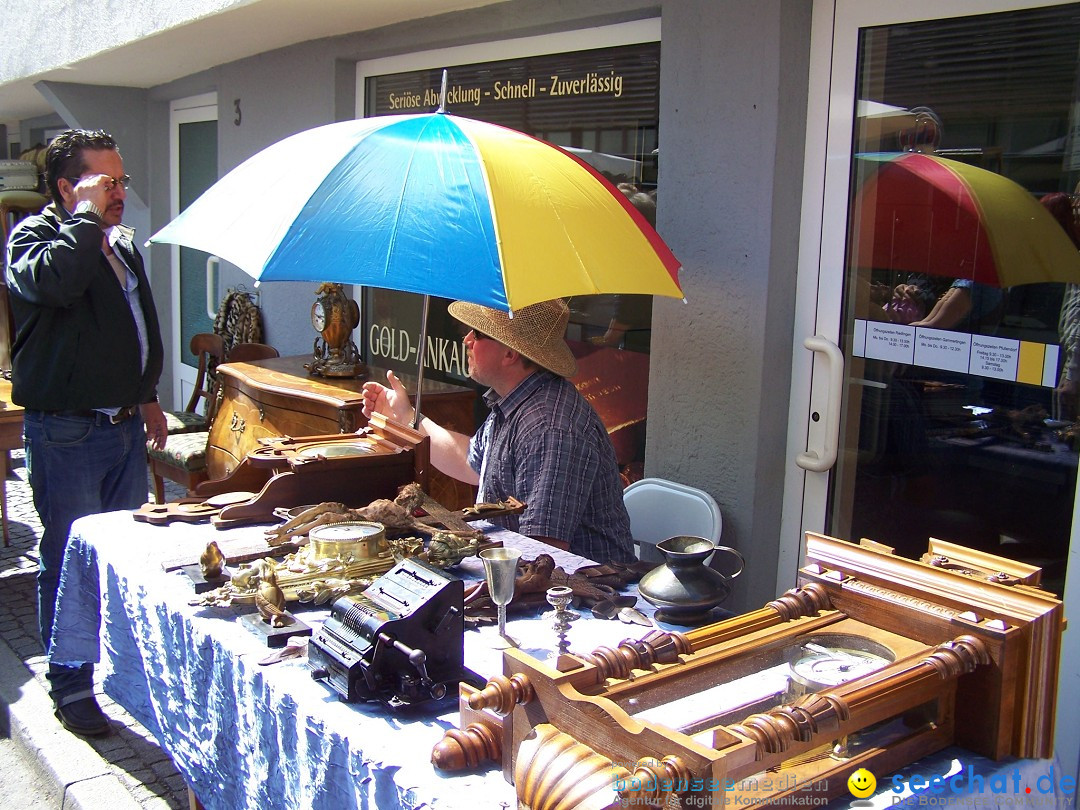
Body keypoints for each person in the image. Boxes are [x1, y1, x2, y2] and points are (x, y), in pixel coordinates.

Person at [5, 129, 167, 737]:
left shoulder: (120, 245)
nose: (119, 192)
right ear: (70, 188)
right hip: (67, 433)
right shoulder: (35, 240)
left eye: (122, 180)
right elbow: (56, 284)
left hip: (122, 428)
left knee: (123, 555)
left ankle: (123, 669)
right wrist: (83, 220)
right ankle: (70, 683)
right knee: (68, 558)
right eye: (107, 183)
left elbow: (134, 323)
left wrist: (147, 394)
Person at [362, 297, 635, 563]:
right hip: (523, 571)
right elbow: (472, 462)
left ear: (510, 352)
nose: (466, 339)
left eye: (478, 333)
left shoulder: (549, 428)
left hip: (582, 596)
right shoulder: (519, 400)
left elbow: (543, 554)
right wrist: (405, 417)